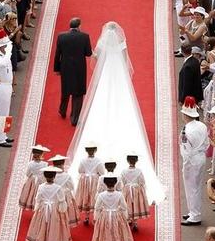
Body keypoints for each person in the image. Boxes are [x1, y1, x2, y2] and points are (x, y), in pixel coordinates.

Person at [66, 22, 165, 207]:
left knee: (102, 98)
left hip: (106, 72)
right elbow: (126, 58)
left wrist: (95, 59)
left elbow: (95, 57)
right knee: (122, 98)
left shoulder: (103, 42)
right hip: (117, 71)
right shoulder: (121, 41)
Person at [25, 166, 71, 241]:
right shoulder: (58, 188)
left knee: (45, 228)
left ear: (45, 177)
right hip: (55, 211)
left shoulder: (41, 187)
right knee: (56, 229)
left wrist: (37, 209)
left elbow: (38, 199)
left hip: (44, 210)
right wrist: (63, 211)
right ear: (54, 176)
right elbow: (62, 200)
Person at [54, 17, 92, 126]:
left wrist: (57, 68)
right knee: (78, 93)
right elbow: (88, 53)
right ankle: (74, 118)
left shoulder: (61, 37)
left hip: (65, 67)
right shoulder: (84, 37)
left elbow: (57, 55)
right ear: (79, 26)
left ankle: (62, 110)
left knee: (65, 90)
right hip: (79, 68)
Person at [90, 175, 134, 241]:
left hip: (104, 216)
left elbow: (97, 208)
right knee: (115, 233)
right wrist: (124, 217)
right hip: (116, 216)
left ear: (105, 184)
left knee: (105, 233)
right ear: (115, 183)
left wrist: (96, 218)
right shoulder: (119, 194)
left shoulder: (101, 195)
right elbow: (124, 207)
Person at [180, 96, 209, 226]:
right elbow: (207, 143)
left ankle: (195, 214)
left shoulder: (186, 131)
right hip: (201, 157)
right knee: (196, 187)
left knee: (191, 187)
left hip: (191, 160)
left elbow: (186, 150)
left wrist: (186, 163)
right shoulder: (202, 126)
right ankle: (193, 211)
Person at [0, 29, 14, 147]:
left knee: (6, 113)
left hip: (7, 86)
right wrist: (9, 52)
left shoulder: (4, 56)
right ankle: (0, 138)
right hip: (1, 87)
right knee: (2, 113)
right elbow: (2, 64)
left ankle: (4, 135)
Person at [75, 142, 105, 225]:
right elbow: (102, 172)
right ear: (95, 150)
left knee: (86, 197)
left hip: (86, 181)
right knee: (95, 197)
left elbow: (80, 170)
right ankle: (96, 217)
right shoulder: (98, 161)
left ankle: (87, 217)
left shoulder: (83, 160)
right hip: (95, 181)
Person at [50, 154, 79, 227]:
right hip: (65, 196)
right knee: (67, 211)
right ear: (62, 165)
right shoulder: (67, 176)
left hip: (54, 195)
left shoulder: (52, 176)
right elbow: (71, 187)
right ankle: (64, 226)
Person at [18, 144, 50, 210]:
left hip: (32, 181)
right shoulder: (45, 164)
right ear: (42, 154)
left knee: (30, 193)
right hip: (41, 180)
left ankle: (30, 204)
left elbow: (27, 174)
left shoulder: (30, 164)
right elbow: (45, 174)